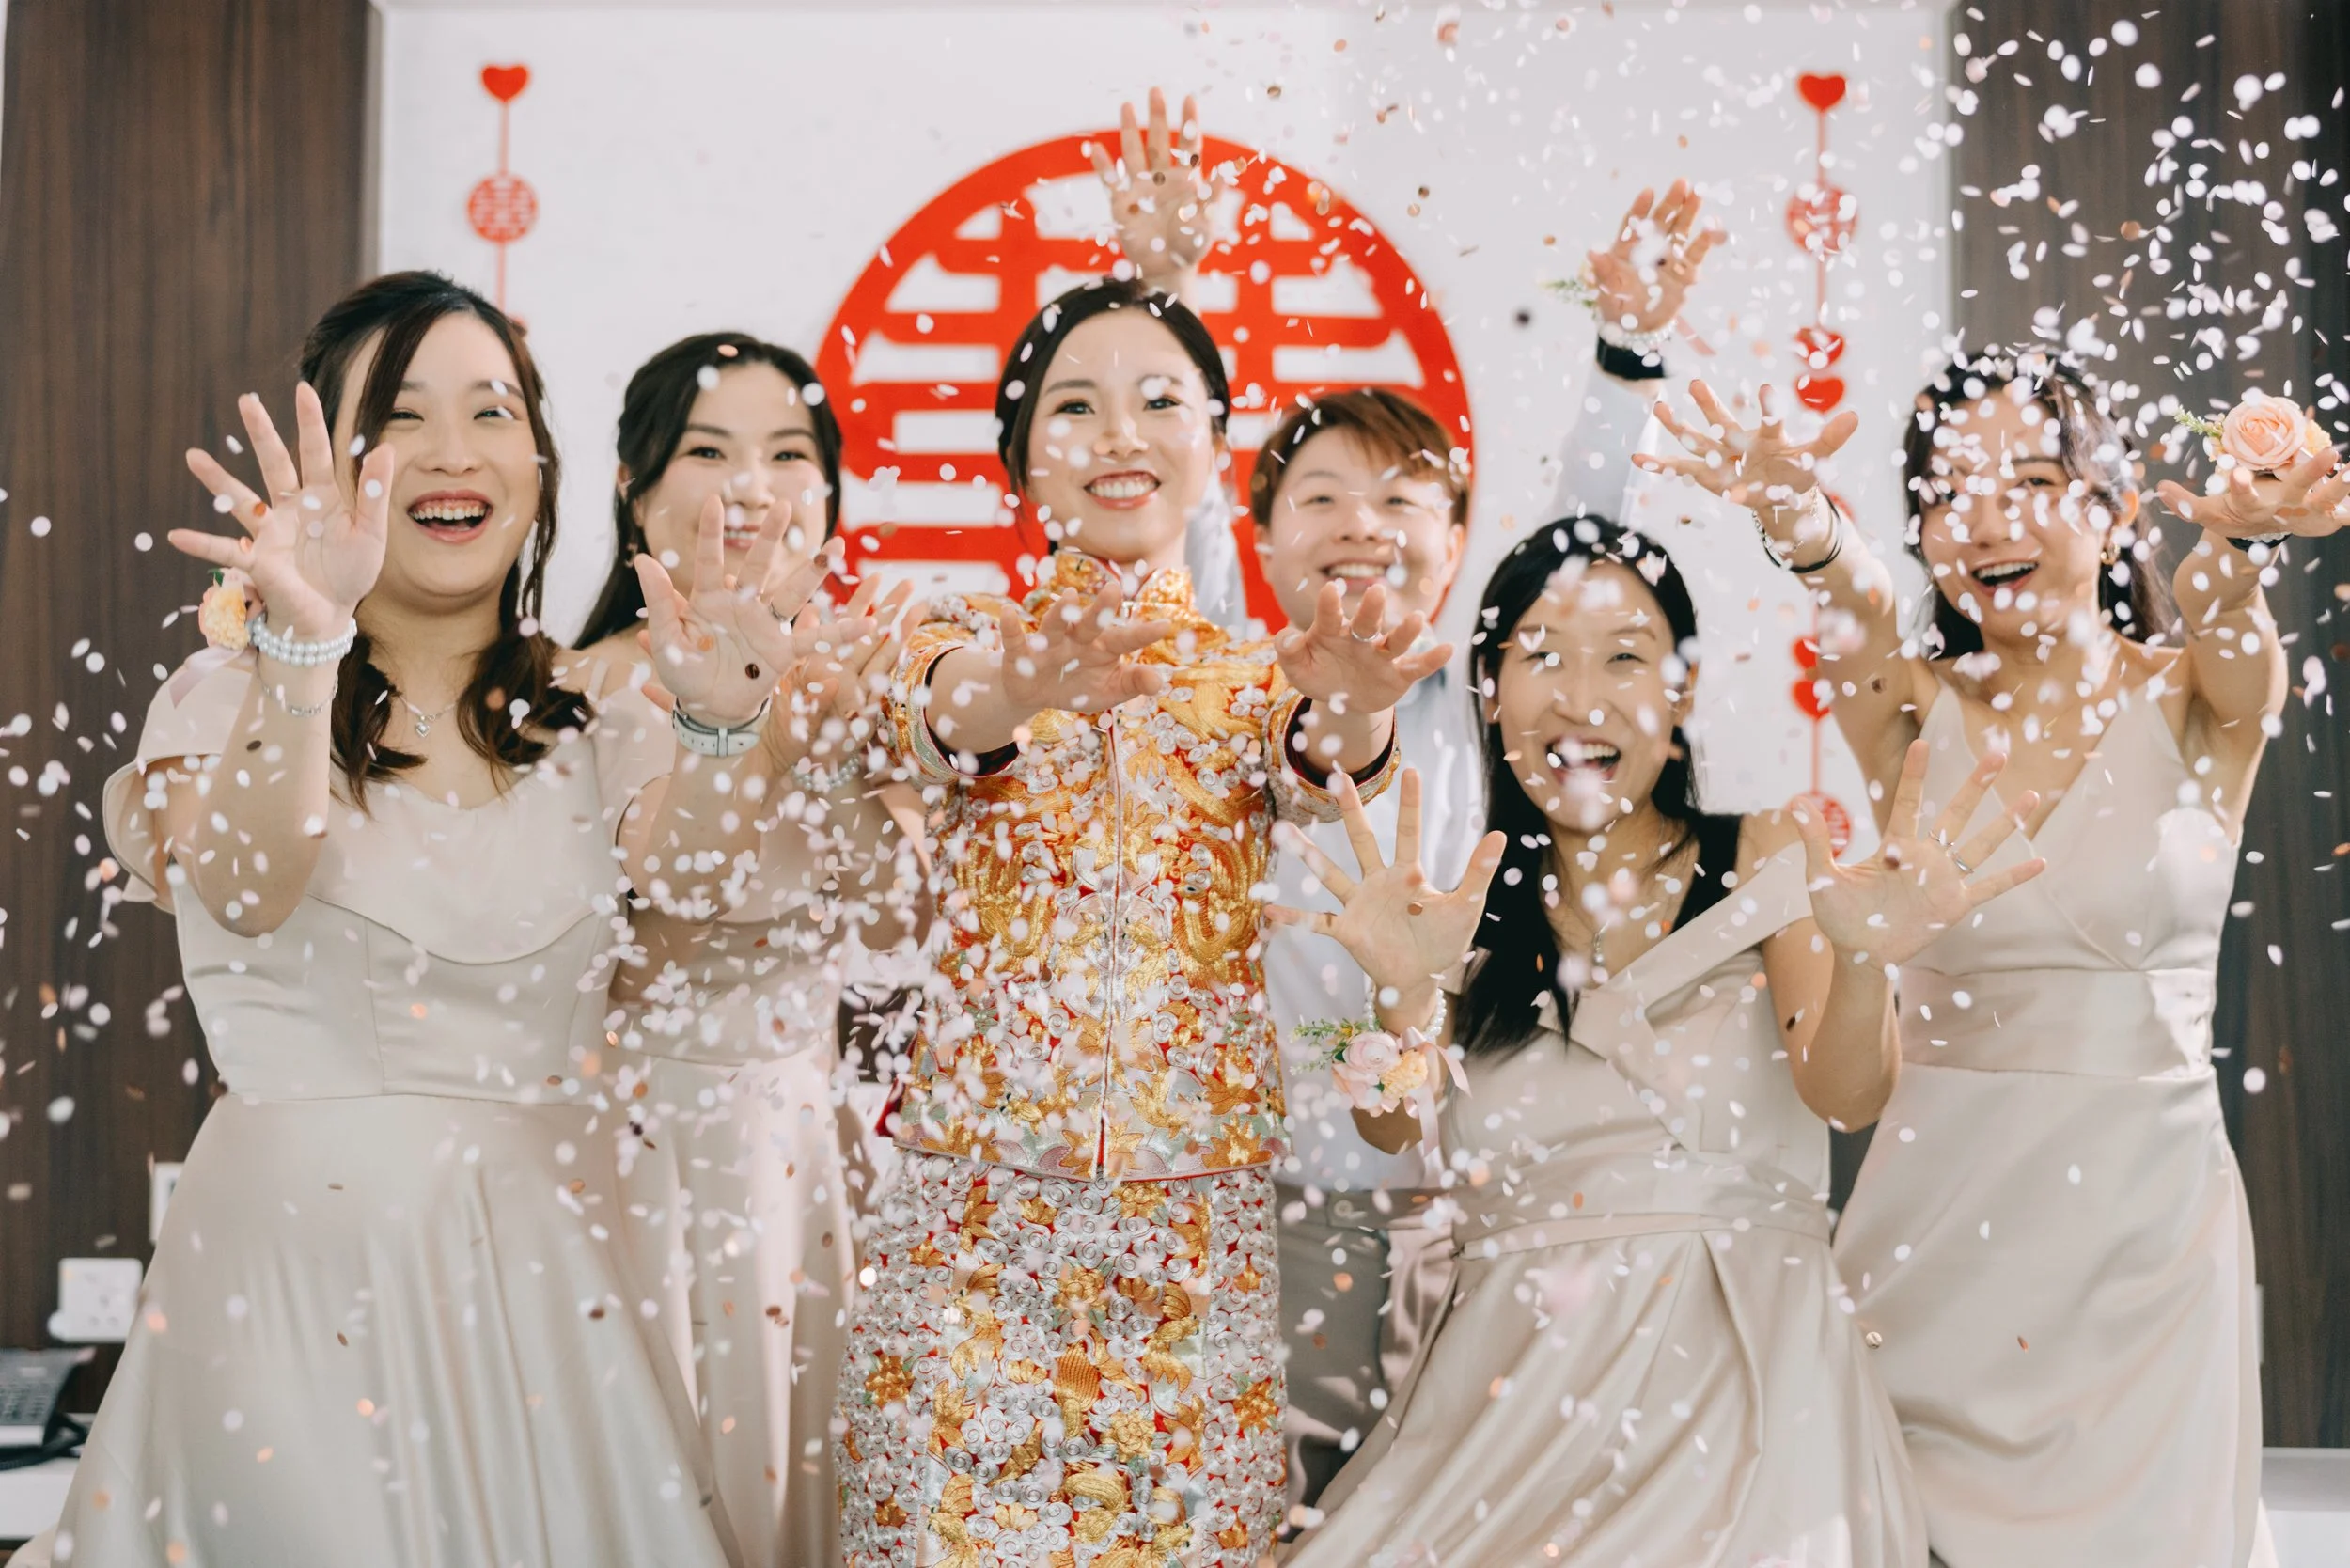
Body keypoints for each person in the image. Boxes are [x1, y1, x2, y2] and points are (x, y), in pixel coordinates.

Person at [30, 271, 824, 1567]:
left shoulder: (597, 715)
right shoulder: (221, 694)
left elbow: (688, 897)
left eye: (493, 411)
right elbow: (245, 885)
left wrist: (727, 727)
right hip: (291, 1283)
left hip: (547, 1293)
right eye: (402, 415)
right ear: (332, 470)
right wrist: (305, 647)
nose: (455, 452)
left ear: (540, 465)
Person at [1641, 350, 2350, 1565]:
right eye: (1952, 490)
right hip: (1938, 1229)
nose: (1987, 522)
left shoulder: (2197, 700)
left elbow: (2228, 621)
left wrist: (2238, 541)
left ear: (2112, 510)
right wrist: (1801, 519)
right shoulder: (1904, 706)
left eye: (2030, 481)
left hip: (2145, 1240)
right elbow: (1856, 602)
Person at [1279, 517, 2042, 1566]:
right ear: (1490, 693)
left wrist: (1865, 961)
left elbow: (1848, 1095)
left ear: (1681, 692)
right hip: (1512, 1417)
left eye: (1625, 657)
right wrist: (1401, 993)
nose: (1581, 698)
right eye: (1543, 656)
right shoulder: (1456, 910)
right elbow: (1391, 1127)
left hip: (1748, 1393)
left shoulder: (1762, 851)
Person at [831, 274, 1448, 1567]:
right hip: (973, 1239)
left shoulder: (1250, 675)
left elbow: (1320, 752)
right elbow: (946, 715)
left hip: (1190, 1256)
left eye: (1160, 400)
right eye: (1075, 405)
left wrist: (1356, 704)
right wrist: (1021, 685)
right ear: (1019, 458)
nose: (1120, 433)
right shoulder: (958, 634)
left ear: (1214, 445)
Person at [1236, 179, 1724, 1514]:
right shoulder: (1226, 701)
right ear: (1262, 543)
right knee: (1309, 1504)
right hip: (1293, 1194)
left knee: (1497, 1506)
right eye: (1321, 496)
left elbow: (1585, 536)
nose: (1362, 523)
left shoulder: (1489, 707)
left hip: (1497, 1189)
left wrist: (1628, 353)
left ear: (1454, 547)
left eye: (1402, 499)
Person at [572, 331, 924, 1567]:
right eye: (709, 452)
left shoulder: (850, 680)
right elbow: (653, 911)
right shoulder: (577, 689)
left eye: (785, 455)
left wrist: (842, 749)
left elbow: (896, 921)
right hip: (637, 1145)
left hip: (800, 1148)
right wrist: (748, 739)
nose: (750, 488)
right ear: (635, 487)